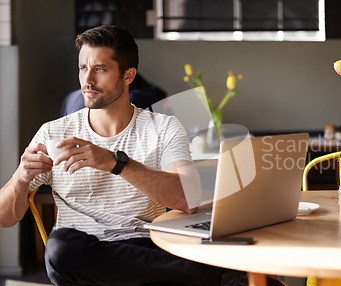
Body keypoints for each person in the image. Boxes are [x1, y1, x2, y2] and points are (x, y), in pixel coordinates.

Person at [0, 25, 256, 286]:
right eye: (82, 68)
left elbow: (188, 199)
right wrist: (21, 179)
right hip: (85, 254)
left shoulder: (163, 128)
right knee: (61, 248)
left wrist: (116, 163)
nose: (87, 80)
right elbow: (4, 217)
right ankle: (212, 274)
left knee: (65, 254)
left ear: (128, 75)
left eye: (99, 69)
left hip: (145, 249)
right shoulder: (53, 132)